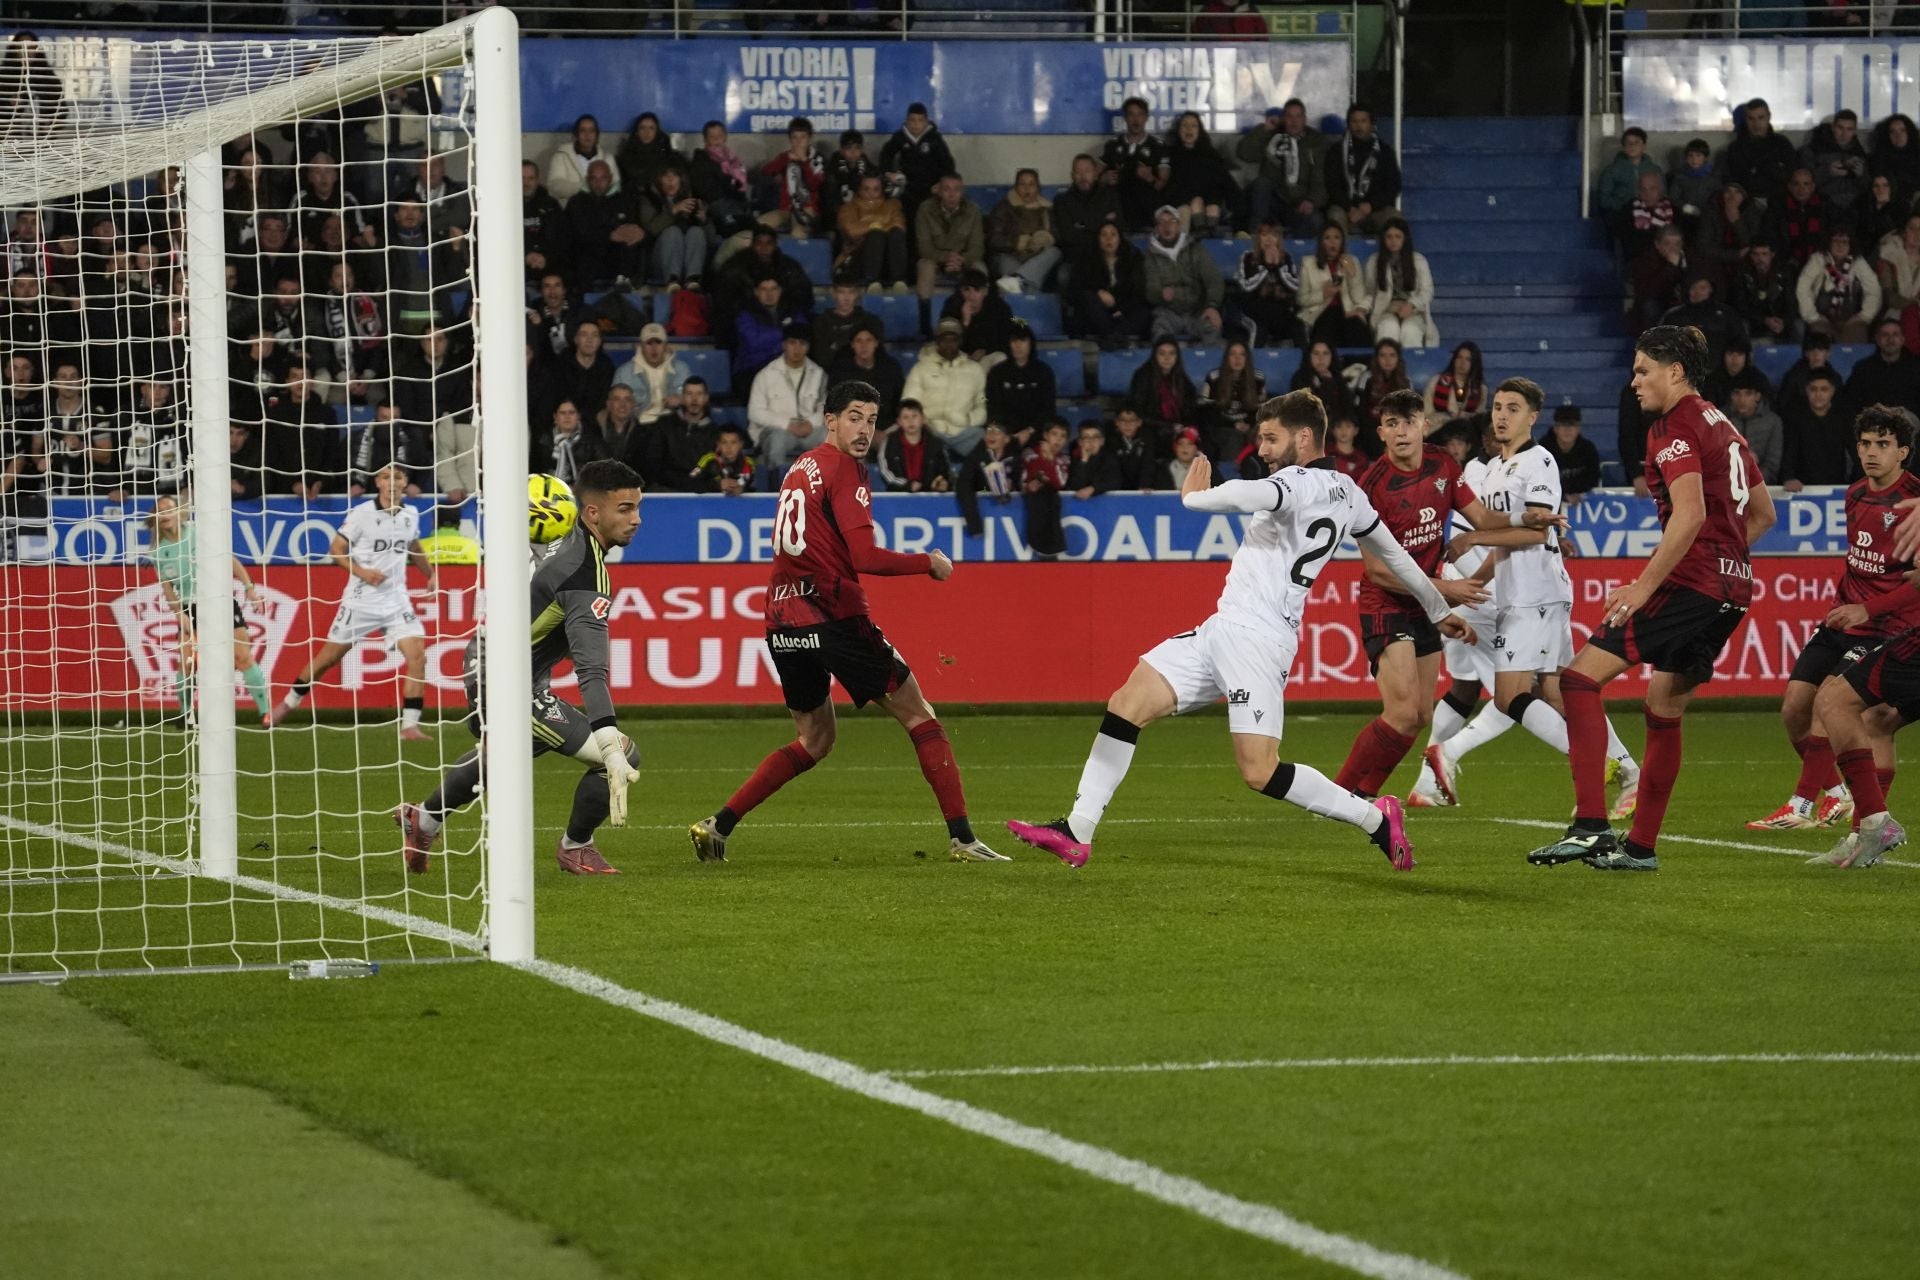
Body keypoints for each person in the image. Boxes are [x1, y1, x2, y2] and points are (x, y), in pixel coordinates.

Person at [1005, 389, 1475, 870]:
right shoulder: (1350, 493)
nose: (1263, 449)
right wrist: (1438, 609)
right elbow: (1398, 557)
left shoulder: (1297, 482)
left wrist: (1194, 498)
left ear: (1305, 436)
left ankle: (1375, 819)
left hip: (1258, 639)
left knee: (1259, 771)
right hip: (1224, 627)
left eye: (1271, 439)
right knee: (1125, 704)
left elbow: (1249, 493)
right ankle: (1077, 831)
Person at [689, 381, 1002, 863]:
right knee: (919, 714)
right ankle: (963, 839)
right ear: (829, 419)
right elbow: (864, 555)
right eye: (854, 416)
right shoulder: (845, 470)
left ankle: (718, 826)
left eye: (873, 420)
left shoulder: (800, 466)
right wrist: (928, 563)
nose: (864, 429)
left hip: (783, 622)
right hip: (833, 617)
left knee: (815, 739)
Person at [1526, 326, 1775, 872]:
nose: (1634, 380)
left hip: (1692, 585)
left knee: (1577, 680)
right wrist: (1721, 560)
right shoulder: (1723, 424)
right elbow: (1762, 515)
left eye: (1643, 370)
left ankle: (1591, 824)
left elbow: (1690, 514)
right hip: (1733, 589)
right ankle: (1639, 848)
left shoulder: (1673, 426)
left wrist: (1646, 584)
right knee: (1664, 708)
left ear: (1675, 372)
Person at [397, 459, 644, 878]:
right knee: (619, 753)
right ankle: (576, 847)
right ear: (592, 513)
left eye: (638, 508)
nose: (636, 520)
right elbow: (591, 669)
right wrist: (608, 740)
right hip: (507, 681)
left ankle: (422, 819)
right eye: (625, 509)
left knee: (500, 757)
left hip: (490, 660)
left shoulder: (567, 540)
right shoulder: (586, 577)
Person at [1430, 380, 1644, 814]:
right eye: (1497, 407)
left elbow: (1536, 532)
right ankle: (1630, 774)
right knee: (1562, 695)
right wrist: (1484, 579)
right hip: (1520, 591)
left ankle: (1596, 763)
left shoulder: (1539, 460)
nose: (1502, 415)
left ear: (1532, 417)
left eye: (1513, 408)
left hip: (1536, 593)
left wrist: (1472, 539)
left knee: (1510, 696)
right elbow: (1511, 538)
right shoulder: (1492, 469)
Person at [1331, 390, 1511, 800]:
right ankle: (1338, 793)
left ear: (1424, 425)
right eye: (1391, 424)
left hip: (1426, 606)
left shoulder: (1443, 465)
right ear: (1381, 433)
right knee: (1400, 712)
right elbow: (1378, 570)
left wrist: (1530, 518)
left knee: (1420, 716)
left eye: (1408, 421)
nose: (1401, 431)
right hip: (1387, 604)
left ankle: (1364, 795)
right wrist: (1445, 590)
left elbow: (1482, 518)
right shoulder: (1371, 486)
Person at [1751, 405, 1920, 832]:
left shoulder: (1914, 503)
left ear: (1903, 451)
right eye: (1865, 443)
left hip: (1887, 628)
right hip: (1843, 622)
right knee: (1794, 709)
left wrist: (1869, 609)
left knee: (1832, 703)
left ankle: (1800, 806)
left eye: (1883, 444)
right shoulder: (1855, 494)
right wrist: (1841, 605)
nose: (1871, 452)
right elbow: (1858, 561)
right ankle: (1837, 796)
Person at [270, 464, 438, 740]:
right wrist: (363, 572)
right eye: (386, 477)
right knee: (327, 659)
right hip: (361, 602)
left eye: (397, 477)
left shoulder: (411, 514)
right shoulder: (361, 515)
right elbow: (336, 549)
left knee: (418, 656)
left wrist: (430, 574)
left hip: (396, 601)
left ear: (405, 482)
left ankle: (409, 726)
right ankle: (288, 703)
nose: (392, 482)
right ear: (378, 482)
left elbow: (413, 546)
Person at [146, 493, 273, 725]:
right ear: (155, 518)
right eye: (160, 510)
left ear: (179, 513)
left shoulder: (199, 534)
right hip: (189, 607)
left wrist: (249, 588)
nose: (165, 513)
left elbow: (230, 560)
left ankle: (266, 712)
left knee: (242, 656)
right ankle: (186, 715)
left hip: (220, 601)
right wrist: (180, 615)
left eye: (169, 509)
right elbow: (168, 590)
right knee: (188, 663)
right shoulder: (158, 552)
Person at [748, 321, 829, 477]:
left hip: (809, 430)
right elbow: (755, 412)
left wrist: (811, 423)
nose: (797, 348)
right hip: (778, 431)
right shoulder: (766, 374)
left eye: (802, 343)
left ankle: (824, 491)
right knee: (776, 440)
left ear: (808, 347)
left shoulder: (819, 374)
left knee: (830, 437)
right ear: (784, 345)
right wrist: (787, 425)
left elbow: (825, 407)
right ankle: (777, 491)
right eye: (792, 343)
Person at [902, 317, 988, 459]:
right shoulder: (921, 368)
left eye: (953, 339)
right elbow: (909, 403)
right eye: (944, 339)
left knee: (988, 442)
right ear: (937, 341)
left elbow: (982, 405)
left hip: (963, 432)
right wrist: (924, 423)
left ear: (960, 341)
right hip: (930, 431)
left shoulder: (976, 370)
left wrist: (967, 420)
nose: (948, 344)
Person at [1237, 99, 1325, 236]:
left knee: (1315, 221)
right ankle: (1256, 238)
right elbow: (1244, 154)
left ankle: (1291, 251)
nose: (1294, 121)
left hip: (1299, 203)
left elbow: (1321, 179)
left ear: (1305, 119)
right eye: (1289, 116)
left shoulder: (1315, 142)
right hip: (1272, 201)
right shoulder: (1272, 136)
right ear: (1283, 119)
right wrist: (1264, 129)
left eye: (1298, 116)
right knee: (1261, 184)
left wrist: (1311, 201)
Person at [1142, 204, 1225, 342]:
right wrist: (1160, 294)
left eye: (1172, 221)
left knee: (1213, 327)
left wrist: (1212, 306)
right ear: (1157, 228)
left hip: (1197, 310)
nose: (1167, 226)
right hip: (1168, 312)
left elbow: (1213, 278)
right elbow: (1151, 289)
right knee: (1158, 330)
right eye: (1162, 222)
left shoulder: (1195, 248)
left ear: (1179, 225)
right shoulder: (1151, 255)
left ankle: (1206, 364)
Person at [1068, 221, 1152, 348]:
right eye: (1104, 235)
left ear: (1120, 238)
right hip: (1096, 314)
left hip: (1123, 313)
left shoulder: (1133, 257)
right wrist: (1098, 292)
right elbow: (1076, 287)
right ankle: (1113, 336)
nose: (1109, 239)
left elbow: (1139, 291)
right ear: (1098, 239)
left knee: (1145, 312)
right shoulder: (1087, 257)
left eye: (1113, 235)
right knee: (1087, 298)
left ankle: (1112, 337)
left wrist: (1121, 309)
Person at [1226, 220, 1305, 349]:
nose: (1269, 239)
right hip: (1251, 310)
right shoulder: (1247, 257)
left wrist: (1278, 266)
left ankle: (1305, 365)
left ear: (1279, 239)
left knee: (1299, 326)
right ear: (1258, 238)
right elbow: (1247, 287)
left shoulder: (1286, 258)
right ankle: (1253, 367)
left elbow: (1294, 286)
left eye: (1273, 235)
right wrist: (1266, 267)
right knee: (1258, 328)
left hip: (1277, 311)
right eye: (1264, 234)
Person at [1326, 102, 1401, 234]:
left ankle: (1391, 255)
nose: (1358, 126)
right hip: (1345, 209)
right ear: (1348, 124)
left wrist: (1371, 206)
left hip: (1375, 209)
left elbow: (1394, 186)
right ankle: (1341, 255)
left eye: (1363, 121)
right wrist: (1350, 208)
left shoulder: (1385, 152)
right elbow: (1331, 186)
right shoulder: (1336, 151)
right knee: (1335, 218)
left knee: (1394, 219)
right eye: (1354, 121)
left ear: (1371, 124)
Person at [913, 173, 986, 307]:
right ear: (939, 191)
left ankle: (981, 311)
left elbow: (977, 247)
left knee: (980, 267)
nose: (952, 195)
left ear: (962, 192)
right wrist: (946, 257)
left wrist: (961, 259)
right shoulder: (925, 209)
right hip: (936, 261)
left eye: (956, 190)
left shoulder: (973, 211)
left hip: (962, 261)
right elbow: (924, 247)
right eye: (946, 189)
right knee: (925, 266)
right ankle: (925, 315)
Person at [1797, 226, 1880, 343]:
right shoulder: (1818, 259)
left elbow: (1874, 289)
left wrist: (1864, 316)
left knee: (1858, 334)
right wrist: (1813, 316)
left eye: (1844, 242)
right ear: (1829, 243)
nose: (1840, 245)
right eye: (1836, 241)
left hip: (1851, 320)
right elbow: (1803, 287)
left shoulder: (1858, 262)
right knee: (1820, 338)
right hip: (1822, 319)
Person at [1163, 111, 1238, 239]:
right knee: (1196, 202)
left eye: (1193, 126)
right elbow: (1171, 186)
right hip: (1181, 202)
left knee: (1212, 204)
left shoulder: (1210, 154)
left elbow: (1225, 181)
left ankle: (1208, 234)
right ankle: (1202, 231)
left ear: (1199, 131)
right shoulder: (1170, 154)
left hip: (1211, 203)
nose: (1189, 129)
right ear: (1178, 130)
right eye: (1185, 125)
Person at [1102, 96, 1172, 230]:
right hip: (1119, 205)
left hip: (1146, 205)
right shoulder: (1112, 145)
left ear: (1146, 118)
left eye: (1140, 114)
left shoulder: (1158, 146)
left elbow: (1163, 184)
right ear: (1125, 118)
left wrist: (1150, 178)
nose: (1135, 120)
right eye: (1131, 114)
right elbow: (1094, 177)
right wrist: (1102, 179)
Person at [1297, 221, 1371, 347]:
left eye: (1337, 237)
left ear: (1342, 241)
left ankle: (1361, 365)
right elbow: (1301, 300)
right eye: (1327, 238)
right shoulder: (1308, 263)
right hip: (1321, 313)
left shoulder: (1352, 261)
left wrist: (1352, 275)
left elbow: (1359, 298)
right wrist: (1322, 294)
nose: (1332, 242)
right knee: (1330, 321)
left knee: (1357, 326)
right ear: (1321, 242)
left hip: (1348, 312)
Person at [987, 168, 1060, 296]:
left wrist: (1047, 238)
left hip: (1037, 257)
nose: (1027, 189)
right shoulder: (1003, 207)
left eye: (1031, 184)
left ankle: (1017, 278)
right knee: (1025, 286)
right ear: (1016, 187)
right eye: (1022, 184)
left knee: (1055, 252)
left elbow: (1057, 235)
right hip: (1011, 255)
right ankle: (1021, 313)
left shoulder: (1047, 209)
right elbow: (993, 239)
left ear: (1038, 188)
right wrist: (1016, 242)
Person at [1366, 218, 1437, 348]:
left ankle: (1411, 368)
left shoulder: (1418, 260)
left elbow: (1427, 291)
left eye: (1398, 236)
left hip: (1413, 311)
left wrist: (1411, 305)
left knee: (1410, 330)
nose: (1393, 241)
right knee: (1388, 329)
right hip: (1386, 311)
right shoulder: (1374, 261)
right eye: (1389, 237)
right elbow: (1370, 291)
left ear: (1405, 238)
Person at [879, 102, 955, 222]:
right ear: (907, 121)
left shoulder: (934, 138)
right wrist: (888, 173)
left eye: (920, 120)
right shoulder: (900, 137)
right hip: (907, 188)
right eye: (912, 120)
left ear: (926, 121)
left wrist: (941, 184)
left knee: (930, 220)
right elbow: (886, 154)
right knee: (908, 220)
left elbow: (947, 163)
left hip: (931, 188)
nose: (916, 124)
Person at [835, 173, 909, 292]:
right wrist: (876, 226)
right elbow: (851, 231)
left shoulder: (892, 205)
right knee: (875, 236)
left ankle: (899, 281)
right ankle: (871, 281)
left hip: (887, 259)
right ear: (859, 190)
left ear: (882, 190)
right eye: (866, 189)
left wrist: (874, 226)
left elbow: (899, 225)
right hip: (858, 256)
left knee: (895, 234)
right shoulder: (848, 207)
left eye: (876, 189)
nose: (871, 193)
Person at [985, 321, 1056, 445]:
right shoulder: (997, 372)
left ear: (1030, 344)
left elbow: (1048, 409)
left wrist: (1029, 431)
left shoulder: (1043, 372)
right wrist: (1005, 433)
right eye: (1013, 341)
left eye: (1022, 340)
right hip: (1004, 434)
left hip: (1035, 433)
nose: (1017, 345)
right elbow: (993, 407)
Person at [637, 167, 708, 290]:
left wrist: (704, 222)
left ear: (681, 179)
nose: (670, 180)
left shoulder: (693, 200)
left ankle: (693, 280)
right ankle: (672, 281)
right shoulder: (649, 199)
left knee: (696, 232)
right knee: (672, 232)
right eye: (666, 176)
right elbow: (649, 231)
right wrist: (673, 211)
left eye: (674, 175)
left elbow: (710, 239)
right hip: (660, 261)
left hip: (688, 262)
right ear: (659, 180)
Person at [646, 376, 722, 492]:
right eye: (689, 393)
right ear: (682, 398)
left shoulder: (714, 433)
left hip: (700, 492)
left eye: (699, 394)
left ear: (706, 398)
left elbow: (711, 471)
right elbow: (654, 465)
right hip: (667, 489)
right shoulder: (664, 424)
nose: (694, 399)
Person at [826, 320, 905, 429]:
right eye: (859, 341)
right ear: (852, 344)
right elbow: (835, 405)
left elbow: (900, 400)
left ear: (876, 343)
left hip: (887, 427)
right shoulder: (840, 370)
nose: (864, 346)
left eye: (869, 340)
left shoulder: (891, 367)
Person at [1053, 153, 1124, 271]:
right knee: (1063, 276)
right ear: (1072, 176)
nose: (1083, 176)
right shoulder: (1062, 201)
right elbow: (1068, 236)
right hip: (1075, 259)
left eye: (1087, 171)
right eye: (1078, 172)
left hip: (1106, 257)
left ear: (1096, 174)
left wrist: (1082, 224)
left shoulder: (1110, 196)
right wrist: (1102, 220)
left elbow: (1119, 226)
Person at [757, 116, 826, 239]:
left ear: (809, 138)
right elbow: (766, 172)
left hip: (807, 208)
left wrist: (804, 162)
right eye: (795, 137)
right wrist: (785, 159)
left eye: (803, 137)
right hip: (786, 208)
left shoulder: (817, 158)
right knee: (759, 227)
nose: (799, 142)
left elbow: (815, 185)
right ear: (790, 139)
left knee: (798, 234)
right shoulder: (785, 157)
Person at [1783, 367, 1852, 489]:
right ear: (1806, 391)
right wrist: (1789, 477)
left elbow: (1856, 452)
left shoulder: (1844, 418)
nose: (1818, 394)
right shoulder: (1795, 418)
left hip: (1838, 486)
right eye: (1813, 389)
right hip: (1802, 487)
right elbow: (1790, 452)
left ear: (1832, 391)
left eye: (1824, 389)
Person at [1199, 341, 1267, 462]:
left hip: (1249, 426)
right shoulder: (1214, 378)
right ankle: (1229, 476)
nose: (1237, 358)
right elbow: (1206, 413)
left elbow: (1262, 411)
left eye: (1242, 354)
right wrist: (1233, 425)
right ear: (1226, 358)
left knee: (1262, 436)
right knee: (1234, 437)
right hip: (1222, 426)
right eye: (1233, 354)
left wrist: (1249, 424)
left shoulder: (1258, 378)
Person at [1725, 98, 1798, 208]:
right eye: (1751, 119)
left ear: (1769, 117)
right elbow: (1733, 181)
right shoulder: (1735, 149)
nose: (1756, 123)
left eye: (1761, 118)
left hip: (1780, 203)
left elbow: (1792, 174)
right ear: (1746, 120)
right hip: (1747, 204)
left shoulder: (1782, 144)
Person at [1844, 316, 1920, 418]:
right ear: (1877, 339)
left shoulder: (1916, 367)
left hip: (1909, 423)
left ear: (1902, 339)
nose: (1890, 339)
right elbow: (1851, 401)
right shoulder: (1863, 368)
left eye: (1895, 334)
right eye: (1885, 335)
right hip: (1873, 423)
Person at [1801, 108, 1870, 221]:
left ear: (1854, 131)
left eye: (1849, 129)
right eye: (1840, 128)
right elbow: (1803, 185)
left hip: (1855, 207)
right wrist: (1827, 172)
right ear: (1833, 127)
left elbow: (1869, 187)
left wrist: (1861, 176)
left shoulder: (1860, 154)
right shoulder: (1814, 150)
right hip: (1822, 205)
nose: (1844, 134)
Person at [613, 323, 687, 426]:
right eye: (649, 343)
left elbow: (693, 399)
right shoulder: (624, 372)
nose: (654, 348)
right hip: (638, 425)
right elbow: (614, 406)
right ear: (641, 346)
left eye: (658, 342)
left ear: (666, 346)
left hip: (672, 424)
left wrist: (681, 399)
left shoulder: (681, 369)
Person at [1129, 338, 1203, 441]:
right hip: (1151, 428)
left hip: (1177, 427)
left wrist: (1185, 426)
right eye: (1162, 353)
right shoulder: (1142, 376)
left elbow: (1190, 405)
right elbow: (1140, 412)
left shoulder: (1181, 377)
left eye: (1172, 353)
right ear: (1155, 356)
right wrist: (1168, 426)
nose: (1167, 358)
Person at [938, 268, 1016, 364]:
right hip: (959, 360)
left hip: (987, 358)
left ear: (985, 291)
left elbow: (1007, 340)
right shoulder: (952, 306)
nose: (971, 296)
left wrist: (986, 351)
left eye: (977, 290)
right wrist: (965, 323)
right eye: (966, 290)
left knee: (1000, 357)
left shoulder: (999, 307)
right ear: (961, 291)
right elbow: (946, 343)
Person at [956, 422, 1021, 536]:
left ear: (1006, 439)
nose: (991, 435)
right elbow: (963, 483)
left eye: (997, 431)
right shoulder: (976, 455)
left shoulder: (1015, 457)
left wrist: (1013, 484)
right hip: (983, 490)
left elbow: (1022, 480)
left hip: (1012, 511)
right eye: (989, 430)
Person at [1728, 241, 1797, 343]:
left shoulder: (1785, 272)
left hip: (1780, 322)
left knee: (1798, 328)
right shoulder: (1742, 273)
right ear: (1750, 256)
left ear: (1772, 255)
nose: (1759, 259)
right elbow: (1740, 305)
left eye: (1764, 254)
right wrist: (1765, 320)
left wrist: (1783, 321)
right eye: (1755, 254)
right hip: (1755, 322)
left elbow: (1791, 302)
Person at [1022, 419, 1072, 558]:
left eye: (1063, 436)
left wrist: (1050, 461)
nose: (1058, 440)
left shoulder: (1064, 459)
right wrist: (1044, 461)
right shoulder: (1029, 453)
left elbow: (1059, 483)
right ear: (1045, 435)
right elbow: (1028, 477)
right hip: (1032, 504)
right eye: (1054, 434)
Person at [879, 398, 952, 492]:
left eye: (914, 416)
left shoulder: (936, 444)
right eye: (905, 417)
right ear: (899, 422)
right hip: (899, 496)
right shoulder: (890, 442)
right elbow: (886, 472)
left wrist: (942, 484)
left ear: (923, 419)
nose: (910, 421)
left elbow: (945, 472)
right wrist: (908, 485)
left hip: (929, 497)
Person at [546, 114, 620, 204]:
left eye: (591, 131)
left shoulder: (607, 157)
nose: (587, 135)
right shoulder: (562, 156)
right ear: (576, 135)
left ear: (597, 135)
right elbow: (554, 186)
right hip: (570, 211)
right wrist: (582, 187)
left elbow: (616, 186)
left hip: (603, 210)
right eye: (583, 130)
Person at [1596, 126, 1662, 225]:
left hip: (1650, 211)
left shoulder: (1654, 170)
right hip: (1623, 213)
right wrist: (1626, 206)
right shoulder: (1612, 170)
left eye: (1636, 142)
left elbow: (1662, 193)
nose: (1632, 146)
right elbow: (1603, 199)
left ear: (1644, 146)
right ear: (1623, 147)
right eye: (1628, 143)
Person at [813, 272, 881, 367]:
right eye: (841, 292)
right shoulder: (821, 323)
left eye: (851, 292)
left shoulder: (871, 321)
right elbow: (822, 359)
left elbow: (877, 356)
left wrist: (836, 346)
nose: (846, 298)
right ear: (833, 293)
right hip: (833, 375)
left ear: (857, 293)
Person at [1290, 339, 1358, 432]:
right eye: (1316, 353)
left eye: (1325, 353)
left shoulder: (1338, 378)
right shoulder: (1300, 379)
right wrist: (1327, 385)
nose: (1321, 358)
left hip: (1336, 430)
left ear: (1332, 356)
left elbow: (1346, 407)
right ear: (1309, 356)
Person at [1543, 403, 1605, 502]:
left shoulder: (1588, 449)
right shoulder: (1542, 451)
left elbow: (1593, 478)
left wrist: (1578, 493)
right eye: (1563, 424)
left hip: (1581, 503)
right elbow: (1537, 482)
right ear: (1555, 428)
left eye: (1572, 424)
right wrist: (1563, 496)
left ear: (1578, 428)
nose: (1567, 430)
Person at [1668, 137, 1722, 241]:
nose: (1694, 159)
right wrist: (1688, 208)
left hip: (1708, 216)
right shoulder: (1680, 176)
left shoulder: (1713, 177)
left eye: (1698, 156)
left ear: (1705, 158)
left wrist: (1708, 210)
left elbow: (1718, 197)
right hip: (1686, 216)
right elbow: (1673, 198)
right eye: (1690, 156)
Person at [1424, 341, 1487, 426]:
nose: (1462, 362)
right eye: (1459, 357)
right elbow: (1426, 414)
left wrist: (1468, 416)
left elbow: (1480, 419)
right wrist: (1447, 417)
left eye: (1468, 359)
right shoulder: (1435, 381)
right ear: (1454, 359)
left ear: (1474, 363)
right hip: (1438, 431)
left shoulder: (1481, 390)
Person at [696, 426, 757, 495]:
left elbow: (753, 485)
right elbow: (691, 480)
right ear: (718, 445)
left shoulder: (749, 462)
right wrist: (717, 485)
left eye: (733, 442)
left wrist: (742, 489)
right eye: (724, 442)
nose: (729, 447)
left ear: (741, 445)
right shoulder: (707, 459)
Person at [1069, 419, 1121, 497]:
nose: (1091, 441)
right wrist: (1084, 461)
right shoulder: (1075, 459)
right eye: (1086, 437)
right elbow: (1076, 486)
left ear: (1102, 441)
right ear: (1080, 442)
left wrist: (1093, 488)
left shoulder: (1109, 458)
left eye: (1095, 437)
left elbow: (1115, 482)